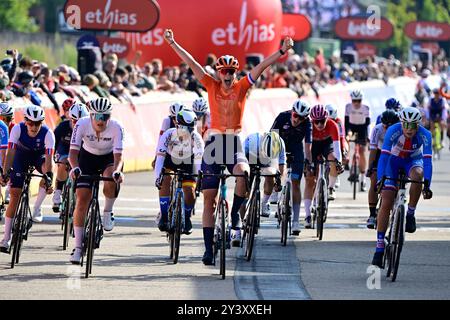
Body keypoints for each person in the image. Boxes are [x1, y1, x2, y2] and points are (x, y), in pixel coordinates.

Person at [164, 28, 294, 265]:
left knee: (243, 173)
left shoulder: (242, 87)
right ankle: (207, 250)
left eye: (231, 71)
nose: (227, 75)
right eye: (223, 71)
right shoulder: (211, 85)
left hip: (233, 141)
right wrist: (173, 43)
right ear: (218, 73)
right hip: (214, 143)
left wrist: (282, 51)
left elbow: (261, 67)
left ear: (235, 73)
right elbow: (192, 63)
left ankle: (235, 216)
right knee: (209, 200)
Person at [372, 107, 433, 267]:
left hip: (413, 162)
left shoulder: (425, 135)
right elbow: (384, 157)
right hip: (393, 161)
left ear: (418, 125)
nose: (408, 129)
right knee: (386, 201)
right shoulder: (393, 130)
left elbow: (427, 161)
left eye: (412, 125)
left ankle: (410, 213)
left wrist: (427, 183)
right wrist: (380, 179)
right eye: (405, 124)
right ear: (401, 123)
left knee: (418, 176)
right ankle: (379, 248)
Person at [68, 97, 124, 264]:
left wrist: (117, 171)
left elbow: (119, 157)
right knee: (82, 199)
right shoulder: (82, 124)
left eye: (105, 116)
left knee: (111, 178)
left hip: (108, 158)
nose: (101, 121)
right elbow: (72, 153)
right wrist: (75, 168)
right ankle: (78, 248)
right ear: (91, 115)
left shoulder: (116, 127)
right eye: (97, 116)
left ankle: (107, 211)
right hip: (86, 159)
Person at [0, 105, 55, 253]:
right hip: (20, 156)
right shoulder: (17, 129)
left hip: (39, 157)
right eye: (31, 123)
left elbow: (49, 161)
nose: (34, 126)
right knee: (15, 195)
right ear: (25, 121)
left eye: (38, 123)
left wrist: (48, 177)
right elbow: (10, 153)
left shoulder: (48, 133)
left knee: (46, 171)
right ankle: (6, 238)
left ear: (42, 122)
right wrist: (5, 173)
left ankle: (36, 208)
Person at [154, 109, 204, 234]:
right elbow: (160, 157)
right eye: (184, 129)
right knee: (166, 179)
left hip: (189, 162)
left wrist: (197, 180)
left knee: (190, 191)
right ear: (177, 125)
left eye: (190, 129)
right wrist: (158, 177)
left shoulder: (197, 138)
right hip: (171, 159)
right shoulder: (168, 134)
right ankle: (164, 216)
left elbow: (198, 161)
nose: (187, 133)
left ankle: (186, 218)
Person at [271, 100, 312, 233]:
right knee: (276, 169)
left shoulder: (307, 123)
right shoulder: (282, 117)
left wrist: (308, 162)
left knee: (295, 183)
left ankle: (295, 221)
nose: (297, 119)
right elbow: (271, 138)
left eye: (301, 117)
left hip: (296, 149)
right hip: (279, 145)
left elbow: (307, 145)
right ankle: (274, 191)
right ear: (291, 112)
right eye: (295, 115)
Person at [304, 105, 343, 227]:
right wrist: (308, 162)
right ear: (312, 120)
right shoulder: (309, 127)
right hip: (313, 146)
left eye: (322, 121)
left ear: (327, 119)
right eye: (317, 122)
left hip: (327, 144)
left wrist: (339, 162)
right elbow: (307, 149)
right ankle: (307, 215)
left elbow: (337, 148)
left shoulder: (333, 125)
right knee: (310, 179)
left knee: (333, 159)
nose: (320, 124)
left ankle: (330, 188)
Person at [52, 102, 89, 213]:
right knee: (63, 163)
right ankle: (58, 192)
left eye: (81, 121)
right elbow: (53, 142)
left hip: (80, 151)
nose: (77, 124)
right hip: (64, 148)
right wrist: (53, 157)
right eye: (74, 121)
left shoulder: (89, 128)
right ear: (69, 118)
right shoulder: (63, 126)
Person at [366, 110, 400, 229]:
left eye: (390, 126)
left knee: (399, 179)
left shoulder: (400, 129)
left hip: (395, 154)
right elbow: (373, 150)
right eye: (385, 126)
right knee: (374, 179)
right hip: (380, 153)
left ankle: (397, 207)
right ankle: (372, 214)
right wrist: (370, 167)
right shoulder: (377, 129)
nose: (387, 129)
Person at [244, 131, 285, 220]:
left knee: (271, 177)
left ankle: (264, 203)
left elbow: (281, 166)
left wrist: (278, 183)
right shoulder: (251, 141)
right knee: (244, 185)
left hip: (269, 159)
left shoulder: (280, 143)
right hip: (251, 155)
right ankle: (243, 213)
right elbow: (241, 162)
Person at [345, 90, 370, 191]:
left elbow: (367, 123)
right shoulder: (348, 107)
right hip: (352, 127)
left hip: (362, 128)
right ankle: (347, 161)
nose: (356, 103)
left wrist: (366, 136)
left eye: (358, 101)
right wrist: (347, 133)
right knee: (347, 141)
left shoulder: (365, 107)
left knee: (362, 151)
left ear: (361, 100)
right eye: (354, 101)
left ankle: (363, 179)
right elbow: (346, 121)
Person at [325, 103, 348, 188]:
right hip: (326, 140)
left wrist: (343, 152)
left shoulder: (339, 122)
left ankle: (336, 174)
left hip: (336, 139)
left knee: (342, 150)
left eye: (332, 120)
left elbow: (341, 138)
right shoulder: (321, 120)